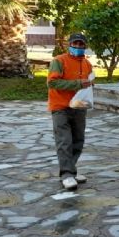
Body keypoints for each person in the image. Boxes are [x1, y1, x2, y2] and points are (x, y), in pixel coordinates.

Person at [47, 32, 94, 190]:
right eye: (76, 44)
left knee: (78, 140)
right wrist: (78, 84)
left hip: (79, 107)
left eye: (81, 44)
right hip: (60, 106)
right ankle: (66, 174)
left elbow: (87, 82)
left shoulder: (87, 64)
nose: (78, 47)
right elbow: (52, 83)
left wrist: (89, 85)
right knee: (64, 141)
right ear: (70, 45)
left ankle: (71, 172)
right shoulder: (59, 61)